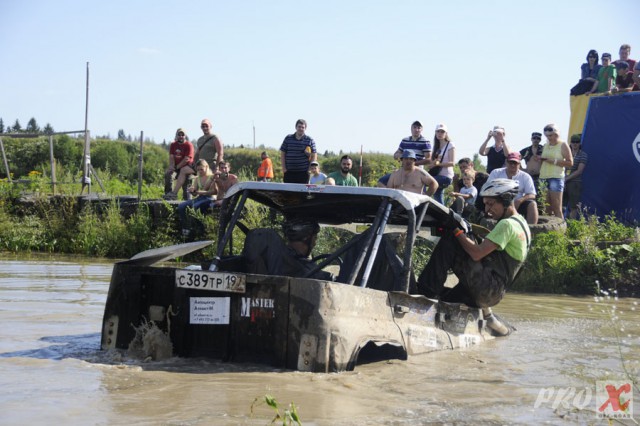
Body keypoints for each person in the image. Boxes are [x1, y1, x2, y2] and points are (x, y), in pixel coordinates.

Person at [416, 179, 531, 335]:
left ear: (505, 202)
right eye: (485, 204)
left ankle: (425, 292)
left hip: (487, 288)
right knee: (446, 299)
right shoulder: (521, 223)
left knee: (451, 239)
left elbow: (476, 253)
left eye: (491, 204)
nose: (487, 209)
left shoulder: (507, 225)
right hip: (494, 292)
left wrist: (456, 230)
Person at [171, 119, 224, 199]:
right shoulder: (200, 140)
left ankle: (205, 198)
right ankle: (174, 194)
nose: (205, 128)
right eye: (203, 126)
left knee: (208, 184)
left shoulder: (215, 138)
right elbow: (197, 153)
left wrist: (216, 168)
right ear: (201, 127)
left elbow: (220, 153)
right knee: (183, 170)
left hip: (210, 166)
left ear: (210, 126)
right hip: (199, 165)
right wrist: (193, 163)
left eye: (206, 126)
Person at [488, 152, 538, 224]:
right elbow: (488, 189)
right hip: (499, 202)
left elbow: (532, 194)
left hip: (518, 203)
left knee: (532, 204)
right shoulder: (496, 173)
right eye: (510, 162)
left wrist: (520, 201)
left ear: (519, 164)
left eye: (515, 163)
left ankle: (532, 230)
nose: (512, 165)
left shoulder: (525, 176)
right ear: (506, 162)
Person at [538, 124, 573, 219]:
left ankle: (561, 232)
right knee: (546, 208)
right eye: (547, 136)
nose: (549, 138)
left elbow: (570, 163)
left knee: (556, 208)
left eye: (551, 135)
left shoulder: (563, 144)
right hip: (543, 177)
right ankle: (548, 232)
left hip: (556, 177)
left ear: (556, 134)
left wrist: (553, 161)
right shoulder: (545, 145)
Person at [176, 159, 216, 236]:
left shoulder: (212, 177)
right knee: (181, 206)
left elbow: (213, 191)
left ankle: (200, 229)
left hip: (209, 198)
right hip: (200, 198)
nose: (200, 171)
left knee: (195, 207)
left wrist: (199, 192)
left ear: (207, 167)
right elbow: (195, 193)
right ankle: (186, 227)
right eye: (198, 170)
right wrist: (192, 190)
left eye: (202, 169)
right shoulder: (197, 178)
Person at [280, 119, 317, 184]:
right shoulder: (288, 138)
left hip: (303, 173)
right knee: (288, 193)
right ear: (296, 127)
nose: (301, 129)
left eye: (303, 127)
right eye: (299, 127)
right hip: (289, 172)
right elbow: (283, 153)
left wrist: (309, 170)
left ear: (305, 128)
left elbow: (314, 155)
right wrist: (284, 169)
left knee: (302, 193)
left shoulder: (310, 140)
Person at [164, 128, 194, 200]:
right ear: (176, 135)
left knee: (186, 187)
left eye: (182, 135)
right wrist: (171, 167)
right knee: (168, 174)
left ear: (185, 136)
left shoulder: (189, 145)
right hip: (176, 167)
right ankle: (169, 195)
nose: (181, 136)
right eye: (179, 134)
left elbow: (186, 159)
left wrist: (176, 167)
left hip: (186, 168)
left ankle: (188, 202)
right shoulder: (173, 144)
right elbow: (171, 157)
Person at [428, 124, 455, 204]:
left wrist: (438, 164)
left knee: (423, 181)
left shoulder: (450, 145)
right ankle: (443, 215)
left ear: (446, 133)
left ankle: (424, 199)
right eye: (438, 131)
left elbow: (452, 163)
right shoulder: (436, 146)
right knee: (438, 200)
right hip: (437, 175)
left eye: (442, 131)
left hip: (445, 177)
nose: (440, 133)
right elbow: (432, 163)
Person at [564, 134, 588, 220]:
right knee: (560, 204)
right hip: (563, 180)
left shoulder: (583, 155)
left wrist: (566, 179)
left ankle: (571, 226)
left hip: (575, 182)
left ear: (579, 143)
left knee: (574, 206)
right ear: (570, 143)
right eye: (573, 142)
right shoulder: (566, 154)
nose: (575, 144)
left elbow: (579, 171)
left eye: (577, 142)